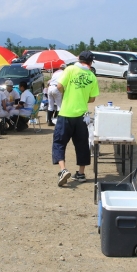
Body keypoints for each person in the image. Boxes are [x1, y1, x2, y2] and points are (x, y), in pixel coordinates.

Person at [52, 51, 99, 186]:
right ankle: (81, 173)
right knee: (82, 144)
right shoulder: (92, 76)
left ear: (79, 59)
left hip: (66, 113)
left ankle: (63, 170)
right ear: (91, 62)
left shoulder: (70, 69)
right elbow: (92, 98)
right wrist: (82, 97)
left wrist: (67, 93)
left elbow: (59, 86)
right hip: (82, 116)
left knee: (59, 142)